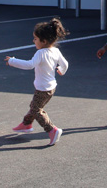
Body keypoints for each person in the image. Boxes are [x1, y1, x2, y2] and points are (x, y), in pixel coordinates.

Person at [5, 18, 70, 146]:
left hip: (42, 88)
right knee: (34, 106)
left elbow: (29, 65)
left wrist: (12, 61)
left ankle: (52, 130)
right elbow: (65, 64)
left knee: (36, 109)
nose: (33, 41)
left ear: (43, 41)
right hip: (51, 88)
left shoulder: (40, 53)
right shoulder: (55, 51)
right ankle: (26, 124)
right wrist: (62, 70)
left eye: (35, 39)